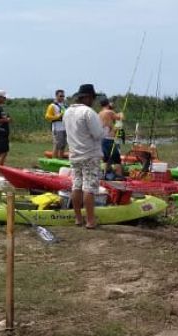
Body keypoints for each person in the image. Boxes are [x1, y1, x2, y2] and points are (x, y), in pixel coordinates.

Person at [62, 84, 104, 229]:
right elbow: (98, 134)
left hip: (74, 155)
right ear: (86, 97)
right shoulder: (88, 112)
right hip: (90, 155)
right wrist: (106, 128)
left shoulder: (67, 112)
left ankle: (78, 218)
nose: (93, 101)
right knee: (89, 187)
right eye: (92, 97)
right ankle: (91, 221)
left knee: (77, 185)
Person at [98, 97, 124, 178]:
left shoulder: (99, 113)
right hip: (110, 139)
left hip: (103, 139)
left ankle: (105, 175)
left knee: (105, 159)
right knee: (117, 160)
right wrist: (121, 113)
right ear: (108, 104)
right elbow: (121, 118)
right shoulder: (110, 112)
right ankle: (119, 177)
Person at [44, 89, 68, 158]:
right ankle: (54, 160)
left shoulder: (65, 105)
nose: (62, 97)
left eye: (63, 96)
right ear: (56, 96)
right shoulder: (52, 106)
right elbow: (47, 116)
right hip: (57, 128)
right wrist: (58, 116)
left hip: (65, 127)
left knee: (63, 145)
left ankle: (60, 159)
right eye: (60, 96)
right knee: (57, 145)